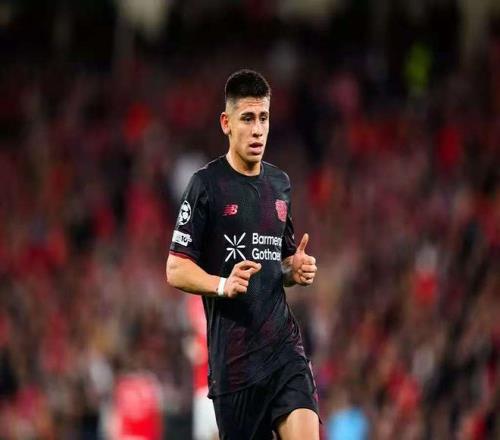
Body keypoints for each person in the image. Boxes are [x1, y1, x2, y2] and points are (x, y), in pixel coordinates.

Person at [166, 69, 319, 439]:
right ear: (226, 123)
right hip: (236, 368)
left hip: (284, 351)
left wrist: (293, 269)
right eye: (247, 118)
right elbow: (175, 268)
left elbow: (278, 263)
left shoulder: (280, 184)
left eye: (263, 118)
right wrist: (222, 284)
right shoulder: (206, 186)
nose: (257, 130)